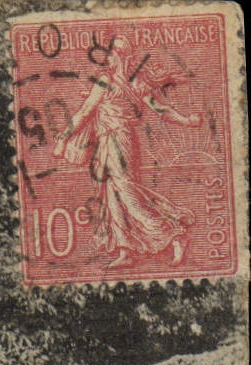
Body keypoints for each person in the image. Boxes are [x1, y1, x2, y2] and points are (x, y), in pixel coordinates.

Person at [53, 36, 201, 269]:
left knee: (127, 193)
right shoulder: (127, 82)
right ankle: (125, 250)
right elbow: (86, 111)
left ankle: (173, 234)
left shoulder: (119, 82)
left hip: (119, 141)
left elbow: (85, 112)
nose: (109, 58)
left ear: (122, 56)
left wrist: (186, 120)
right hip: (108, 142)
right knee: (112, 196)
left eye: (112, 53)